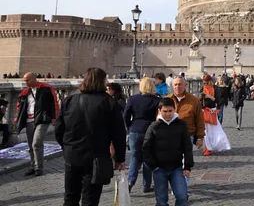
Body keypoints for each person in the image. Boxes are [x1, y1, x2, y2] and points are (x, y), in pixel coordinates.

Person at [54, 67, 127, 205]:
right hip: (96, 157)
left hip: (72, 155)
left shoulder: (69, 101)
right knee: (91, 198)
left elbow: (58, 129)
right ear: (103, 82)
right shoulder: (110, 103)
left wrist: (66, 146)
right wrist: (120, 158)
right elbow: (118, 133)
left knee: (70, 196)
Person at [143, 97, 193, 206]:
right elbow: (146, 148)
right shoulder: (153, 127)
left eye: (170, 111)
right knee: (161, 201)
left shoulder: (181, 125)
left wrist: (188, 166)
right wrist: (153, 165)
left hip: (177, 168)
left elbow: (187, 147)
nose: (168, 114)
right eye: (165, 111)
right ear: (159, 111)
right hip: (159, 168)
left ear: (174, 110)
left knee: (182, 196)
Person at [14, 72, 59, 176]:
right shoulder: (25, 92)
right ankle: (33, 166)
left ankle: (39, 168)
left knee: (36, 143)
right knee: (30, 146)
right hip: (29, 120)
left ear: (34, 79)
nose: (26, 82)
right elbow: (19, 107)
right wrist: (17, 119)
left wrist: (54, 117)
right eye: (24, 80)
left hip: (42, 119)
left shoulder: (46, 88)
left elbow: (54, 102)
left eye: (28, 80)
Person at [123, 77, 161, 193]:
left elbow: (125, 115)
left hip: (135, 130)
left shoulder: (133, 99)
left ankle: (130, 181)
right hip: (149, 131)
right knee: (147, 159)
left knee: (135, 158)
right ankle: (146, 185)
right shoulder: (156, 100)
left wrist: (130, 126)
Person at [166, 77, 204, 148]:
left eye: (180, 84)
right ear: (172, 86)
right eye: (175, 84)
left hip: (187, 136)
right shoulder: (167, 99)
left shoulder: (194, 100)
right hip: (169, 136)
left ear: (185, 85)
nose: (177, 86)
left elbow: (200, 119)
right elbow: (159, 118)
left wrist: (200, 137)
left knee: (186, 159)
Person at [200, 75, 230, 156]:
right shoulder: (202, 88)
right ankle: (207, 148)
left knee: (214, 130)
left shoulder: (216, 88)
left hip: (212, 111)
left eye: (206, 82)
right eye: (204, 83)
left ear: (210, 81)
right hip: (204, 110)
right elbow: (198, 99)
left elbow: (219, 100)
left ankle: (217, 144)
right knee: (205, 131)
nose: (205, 84)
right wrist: (201, 96)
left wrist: (210, 97)